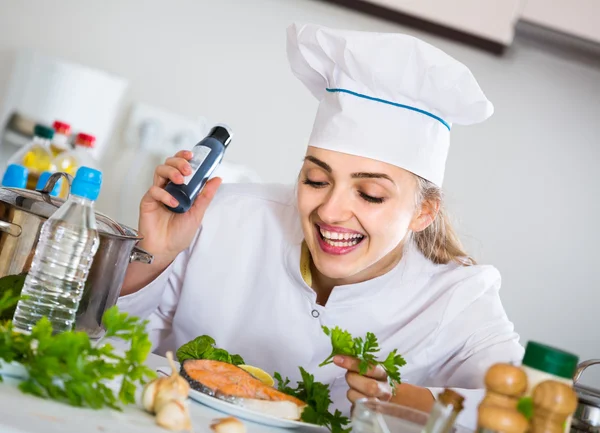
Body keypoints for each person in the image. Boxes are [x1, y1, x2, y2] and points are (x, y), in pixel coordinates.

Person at [117, 23, 524, 429]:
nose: (330, 212)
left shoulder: (460, 297)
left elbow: (521, 413)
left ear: (424, 212)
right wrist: (154, 254)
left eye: (370, 194)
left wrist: (399, 397)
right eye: (316, 180)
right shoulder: (224, 216)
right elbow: (108, 342)